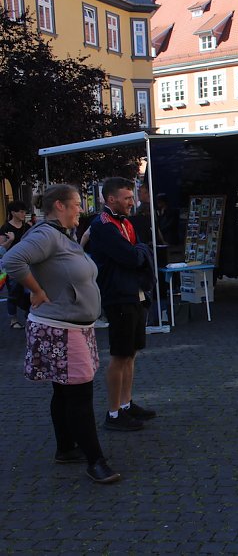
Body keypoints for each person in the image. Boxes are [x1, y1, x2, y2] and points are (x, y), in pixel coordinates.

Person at [1, 185, 120, 483]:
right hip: (61, 329)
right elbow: (11, 261)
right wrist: (37, 290)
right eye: (77, 204)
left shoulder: (59, 235)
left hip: (72, 327)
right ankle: (96, 461)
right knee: (79, 395)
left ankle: (66, 448)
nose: (80, 209)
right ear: (59, 206)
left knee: (64, 391)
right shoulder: (45, 234)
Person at [87, 177, 157, 431]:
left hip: (135, 294)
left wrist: (140, 252)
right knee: (119, 356)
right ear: (111, 199)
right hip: (118, 296)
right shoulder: (103, 225)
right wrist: (140, 253)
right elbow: (131, 256)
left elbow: (140, 249)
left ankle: (126, 404)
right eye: (127, 198)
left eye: (133, 197)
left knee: (131, 353)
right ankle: (114, 413)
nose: (132, 202)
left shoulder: (125, 222)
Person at [2, 201, 32, 328]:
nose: (23, 214)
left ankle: (28, 314)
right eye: (20, 211)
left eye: (24, 211)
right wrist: (10, 240)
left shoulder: (28, 227)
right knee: (14, 292)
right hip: (12, 265)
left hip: (27, 263)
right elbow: (1, 249)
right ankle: (13, 320)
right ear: (13, 213)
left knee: (29, 291)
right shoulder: (5, 229)